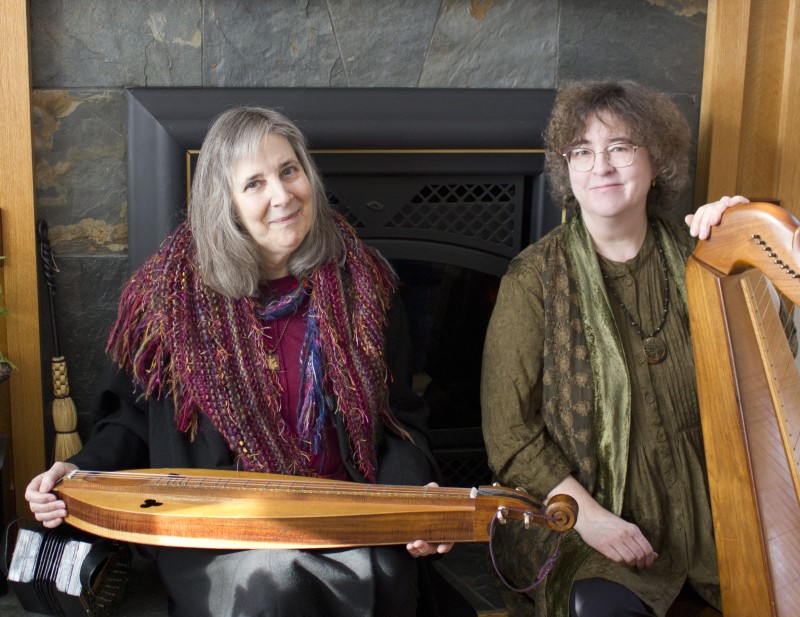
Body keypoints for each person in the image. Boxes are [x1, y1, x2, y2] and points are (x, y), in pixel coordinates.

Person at [26, 107, 468, 617]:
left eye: (289, 171)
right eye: (254, 183)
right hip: (222, 531)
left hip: (346, 516)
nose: (282, 195)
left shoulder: (363, 287)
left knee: (385, 570)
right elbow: (132, 419)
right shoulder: (169, 300)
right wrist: (80, 471)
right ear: (227, 204)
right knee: (275, 582)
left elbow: (398, 420)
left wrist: (414, 501)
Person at [480, 79, 749, 617]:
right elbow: (510, 435)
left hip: (714, 513)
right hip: (577, 517)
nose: (600, 166)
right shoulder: (534, 279)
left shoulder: (704, 259)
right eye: (582, 151)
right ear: (567, 169)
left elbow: (777, 353)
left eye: (620, 147)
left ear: (657, 163)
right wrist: (593, 519)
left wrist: (749, 239)